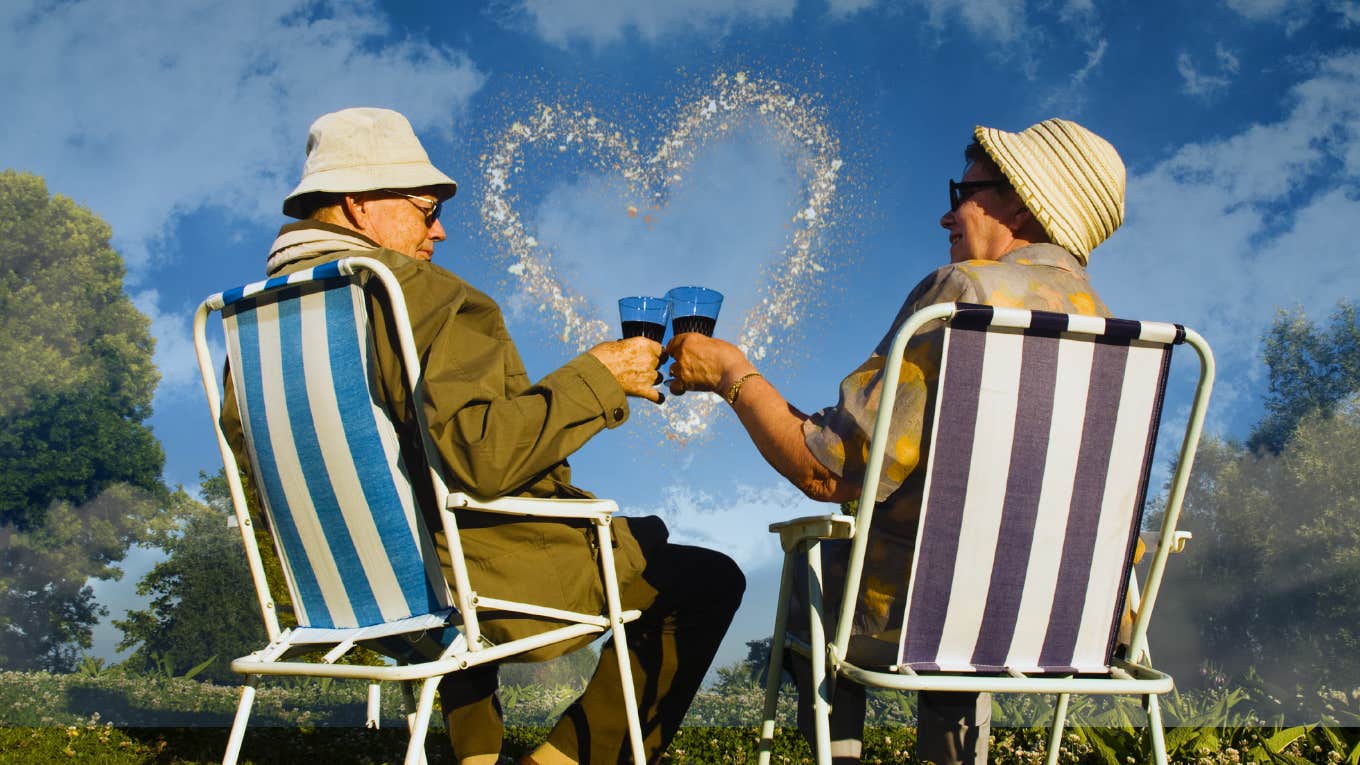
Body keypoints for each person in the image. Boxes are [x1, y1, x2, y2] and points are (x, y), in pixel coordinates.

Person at [221, 107, 745, 765]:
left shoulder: (255, 327)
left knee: (450, 526)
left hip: (344, 587)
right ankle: (559, 761)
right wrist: (600, 377)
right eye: (425, 207)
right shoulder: (421, 293)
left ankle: (475, 755)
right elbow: (485, 460)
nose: (438, 231)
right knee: (703, 576)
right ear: (358, 205)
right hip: (457, 585)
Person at [665, 118, 1125, 764]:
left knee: (816, 566)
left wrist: (729, 372)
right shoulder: (1107, 330)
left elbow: (829, 471)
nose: (946, 217)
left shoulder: (964, 296)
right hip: (1069, 618)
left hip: (923, 615)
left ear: (1020, 200)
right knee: (974, 574)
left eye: (960, 194)